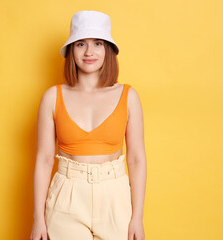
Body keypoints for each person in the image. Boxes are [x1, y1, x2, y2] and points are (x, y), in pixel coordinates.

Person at [30, 10, 146, 240]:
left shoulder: (129, 96)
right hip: (67, 197)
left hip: (115, 197)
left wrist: (137, 218)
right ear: (71, 51)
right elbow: (43, 160)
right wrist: (38, 219)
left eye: (98, 43)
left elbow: (136, 159)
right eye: (81, 44)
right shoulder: (52, 97)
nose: (89, 52)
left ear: (108, 50)